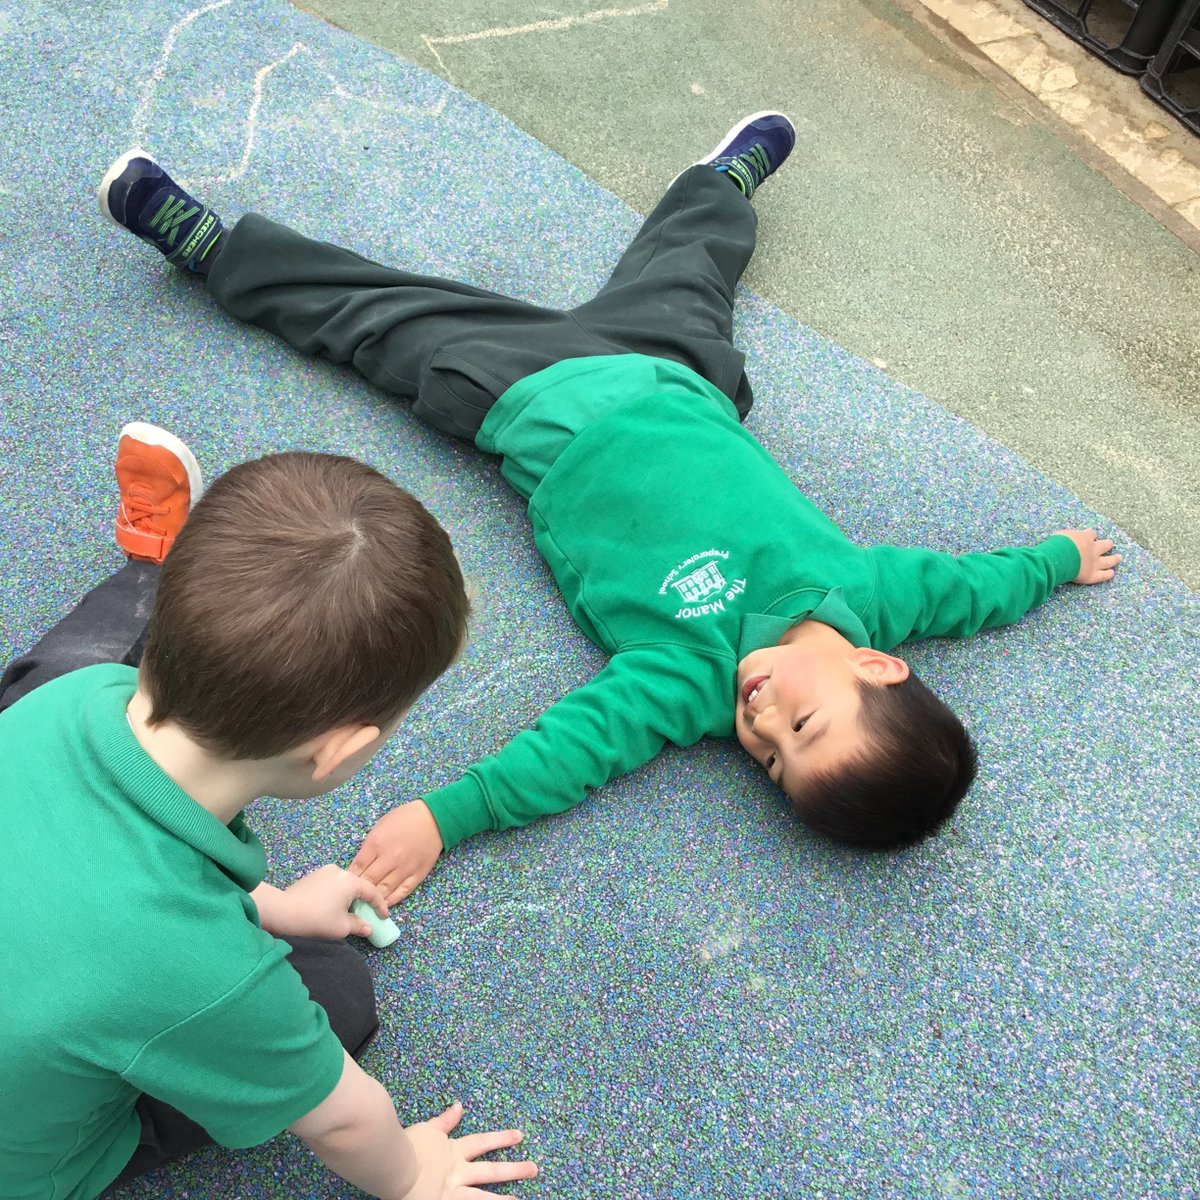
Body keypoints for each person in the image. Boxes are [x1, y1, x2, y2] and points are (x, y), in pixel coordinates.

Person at [96, 112, 1121, 908]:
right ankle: (722, 183)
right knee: (692, 263)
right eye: (803, 721)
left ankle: (212, 248)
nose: (761, 721)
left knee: (371, 318)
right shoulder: (873, 595)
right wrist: (1058, 560)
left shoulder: (685, 680)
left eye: (769, 759)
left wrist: (444, 818)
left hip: (526, 397)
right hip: (678, 374)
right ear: (877, 664)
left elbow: (576, 747)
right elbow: (979, 586)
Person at [0, 425, 537, 1199]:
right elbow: (346, 1121)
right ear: (339, 751)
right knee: (338, 996)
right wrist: (413, 1179)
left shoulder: (70, 695)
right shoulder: (206, 973)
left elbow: (97, 861)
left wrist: (273, 906)